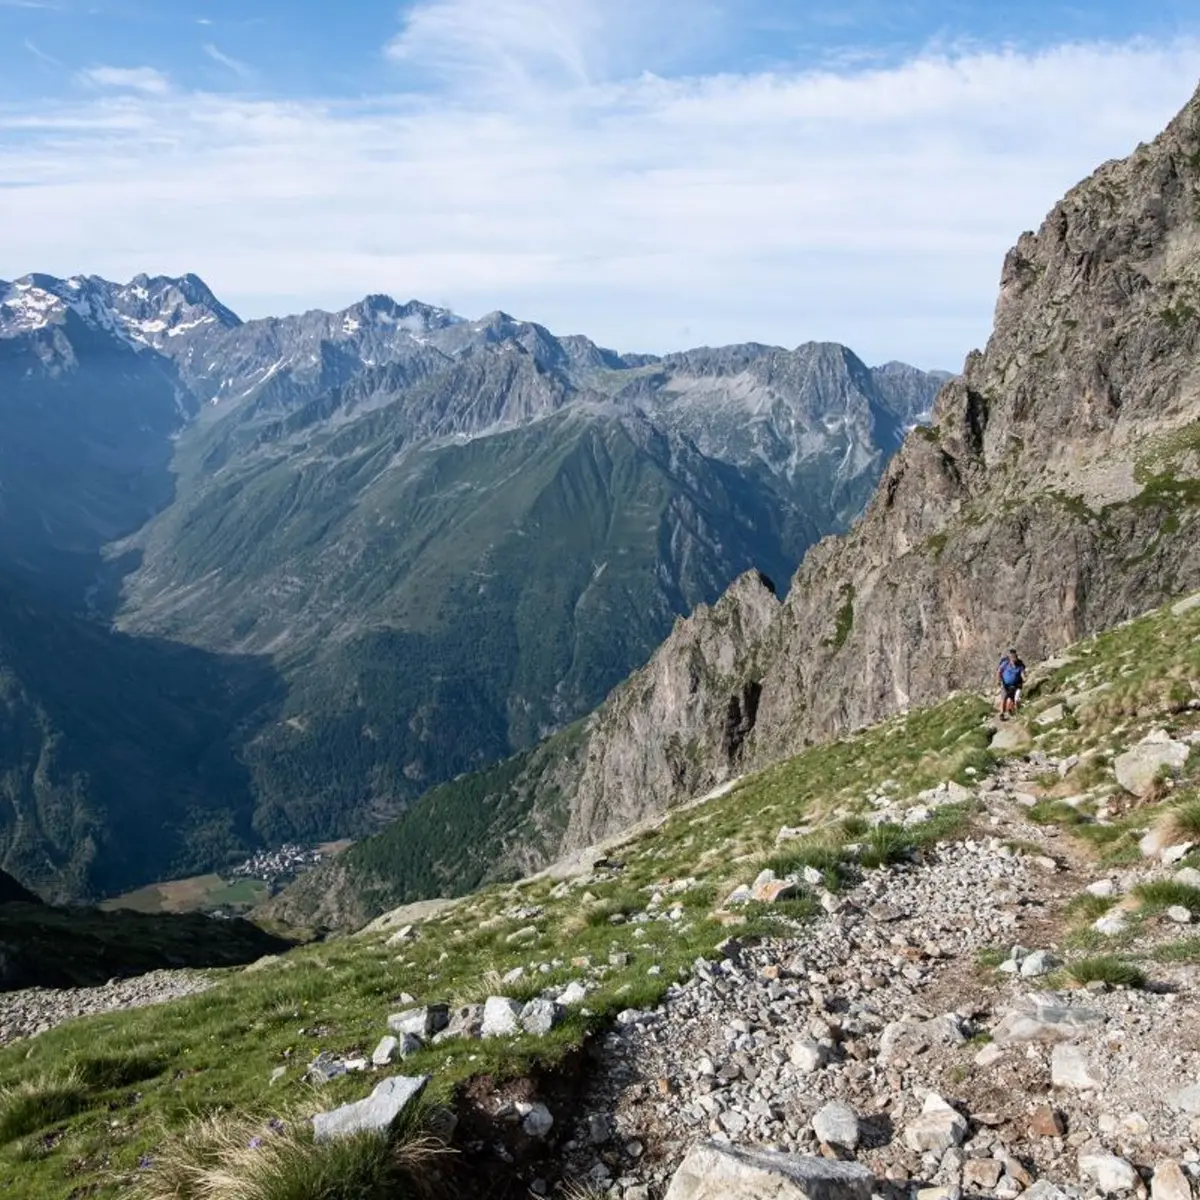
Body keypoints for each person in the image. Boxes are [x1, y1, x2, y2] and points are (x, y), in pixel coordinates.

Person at [997, 648, 1026, 720]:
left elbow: (1022, 673)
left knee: (1012, 699)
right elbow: (999, 671)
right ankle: (1001, 713)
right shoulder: (1005, 663)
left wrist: (1024, 678)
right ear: (1010, 658)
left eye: (1014, 658)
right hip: (1005, 684)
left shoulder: (1019, 665)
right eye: (1012, 658)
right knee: (1004, 698)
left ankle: (1010, 709)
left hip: (1015, 685)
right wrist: (998, 680)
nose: (1013, 660)